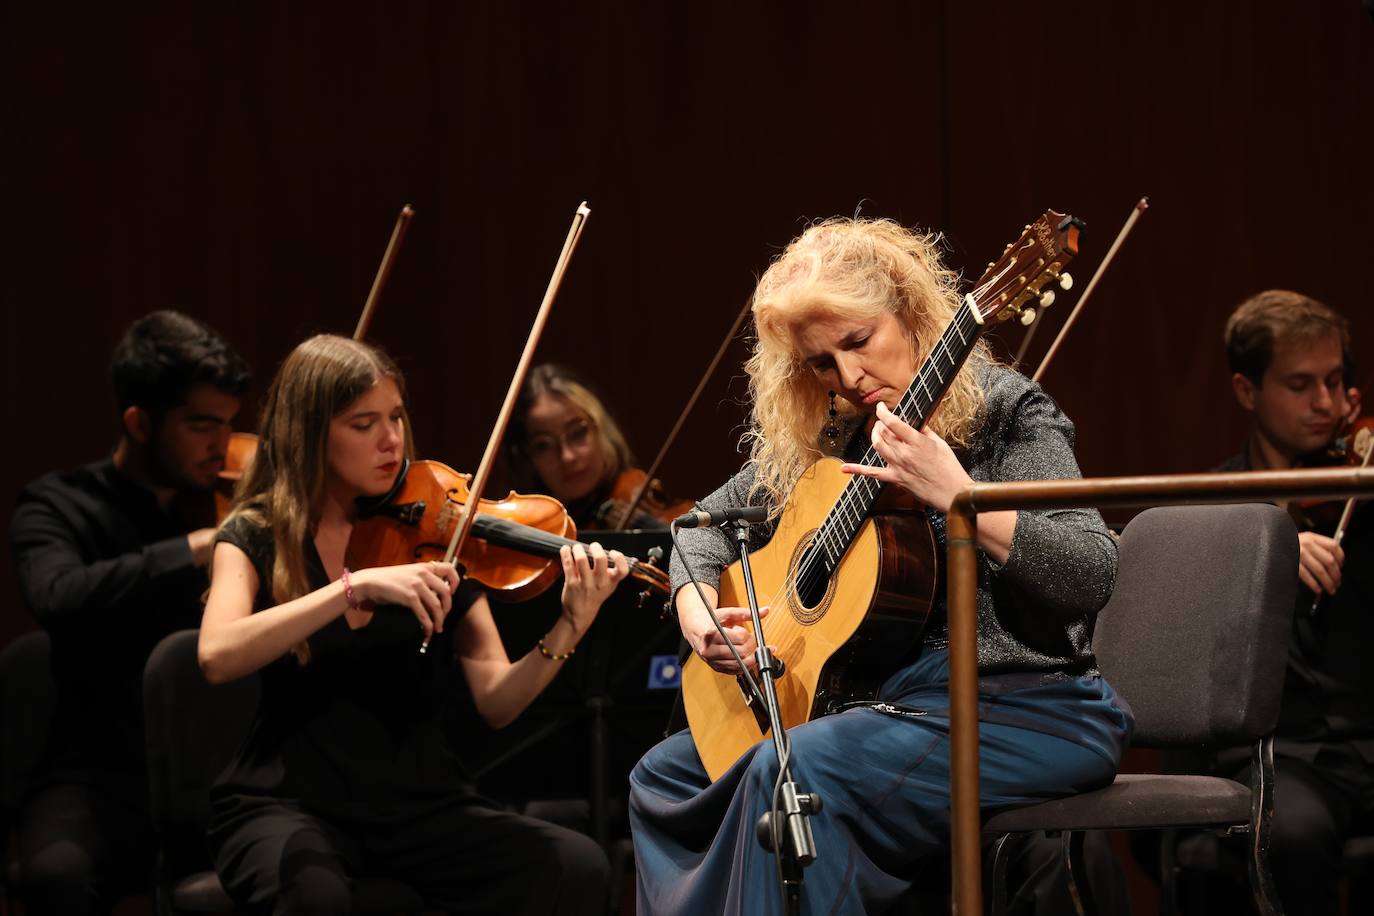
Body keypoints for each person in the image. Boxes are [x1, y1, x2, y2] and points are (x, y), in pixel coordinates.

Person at [627, 217, 1132, 914]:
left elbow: (1091, 571)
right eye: (821, 362)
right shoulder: (832, 439)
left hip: (1030, 706)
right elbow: (695, 530)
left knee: (795, 771)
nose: (849, 376)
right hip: (881, 710)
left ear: (912, 312)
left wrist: (964, 500)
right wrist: (699, 614)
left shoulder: (1006, 412)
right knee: (667, 774)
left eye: (859, 342)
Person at [199, 335, 625, 914]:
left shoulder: (437, 537)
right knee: (314, 896)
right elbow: (216, 654)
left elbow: (496, 701)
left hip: (416, 805)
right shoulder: (255, 535)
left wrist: (570, 626)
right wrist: (352, 587)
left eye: (396, 417)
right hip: (286, 802)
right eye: (363, 423)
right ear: (310, 433)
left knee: (576, 866)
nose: (390, 439)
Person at [10, 310, 250, 914]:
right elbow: (58, 597)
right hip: (100, 771)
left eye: (228, 424)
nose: (221, 446)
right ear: (139, 422)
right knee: (54, 877)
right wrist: (199, 546)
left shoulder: (226, 501)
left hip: (219, 772)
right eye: (200, 425)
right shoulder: (56, 505)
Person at [1205, 289, 1372, 916]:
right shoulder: (1214, 507)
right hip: (1280, 761)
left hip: (1366, 745)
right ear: (1248, 392)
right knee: (1293, 837)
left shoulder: (1358, 482)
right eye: (1301, 385)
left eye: (1335, 382)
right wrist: (1269, 548)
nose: (1325, 404)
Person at [507, 363, 686, 530]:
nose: (567, 456)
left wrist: (651, 529)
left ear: (600, 428)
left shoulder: (636, 500)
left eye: (578, 433)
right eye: (543, 445)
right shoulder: (532, 532)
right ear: (527, 457)